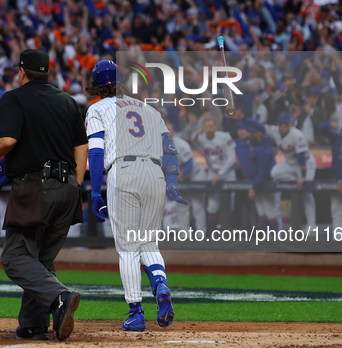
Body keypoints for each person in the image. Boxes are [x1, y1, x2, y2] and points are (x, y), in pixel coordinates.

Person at [0, 49, 87, 342]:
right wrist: (75, 183)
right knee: (42, 259)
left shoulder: (14, 98)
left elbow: (8, 140)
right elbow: (82, 147)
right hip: (69, 187)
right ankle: (34, 324)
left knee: (14, 257)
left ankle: (59, 297)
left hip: (36, 186)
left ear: (22, 71)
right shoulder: (68, 101)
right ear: (46, 72)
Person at [84, 60, 187, 332]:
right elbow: (171, 148)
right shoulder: (149, 109)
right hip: (155, 173)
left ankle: (136, 312)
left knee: (128, 248)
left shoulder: (97, 108)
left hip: (124, 170)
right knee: (149, 244)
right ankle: (160, 284)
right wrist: (173, 180)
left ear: (97, 85)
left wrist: (95, 190)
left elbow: (95, 152)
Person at [267, 112, 317, 229]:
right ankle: (296, 179)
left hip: (306, 164)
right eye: (281, 124)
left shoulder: (297, 134)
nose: (283, 126)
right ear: (277, 124)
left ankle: (312, 226)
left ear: (290, 124)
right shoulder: (274, 131)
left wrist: (303, 177)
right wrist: (243, 118)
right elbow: (259, 127)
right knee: (274, 173)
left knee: (307, 192)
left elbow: (301, 158)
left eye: (286, 124)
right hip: (290, 164)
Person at [191, 117, 236, 217]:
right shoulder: (202, 138)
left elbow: (232, 159)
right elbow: (193, 140)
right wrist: (196, 133)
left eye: (211, 126)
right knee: (212, 206)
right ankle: (213, 232)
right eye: (206, 127)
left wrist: (219, 175)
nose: (209, 129)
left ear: (215, 127)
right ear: (203, 128)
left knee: (229, 205)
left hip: (227, 172)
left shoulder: (225, 137)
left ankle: (228, 232)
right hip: (213, 171)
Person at [166, 122, 207, 233]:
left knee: (198, 206)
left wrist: (181, 175)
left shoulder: (180, 144)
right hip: (180, 177)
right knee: (181, 206)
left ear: (174, 131)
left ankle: (201, 234)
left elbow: (189, 164)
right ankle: (184, 235)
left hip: (195, 174)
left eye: (169, 129)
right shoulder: (160, 145)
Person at [244, 119, 279, 230]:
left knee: (270, 211)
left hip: (267, 182)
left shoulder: (263, 149)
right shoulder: (255, 145)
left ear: (259, 134)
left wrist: (253, 187)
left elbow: (264, 172)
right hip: (259, 182)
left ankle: (274, 241)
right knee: (261, 212)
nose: (249, 134)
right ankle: (265, 240)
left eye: (252, 132)